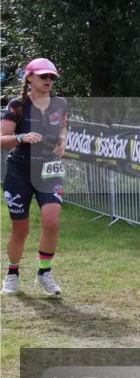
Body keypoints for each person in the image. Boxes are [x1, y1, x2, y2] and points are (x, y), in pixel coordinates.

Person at [1, 58, 69, 296]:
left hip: (50, 169)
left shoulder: (60, 104)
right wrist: (21, 137)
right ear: (29, 78)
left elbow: (63, 128)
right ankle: (12, 273)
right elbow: (2, 140)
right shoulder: (17, 105)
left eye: (52, 77)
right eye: (43, 76)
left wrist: (62, 142)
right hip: (20, 170)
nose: (48, 81)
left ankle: (44, 272)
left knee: (52, 221)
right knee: (21, 230)